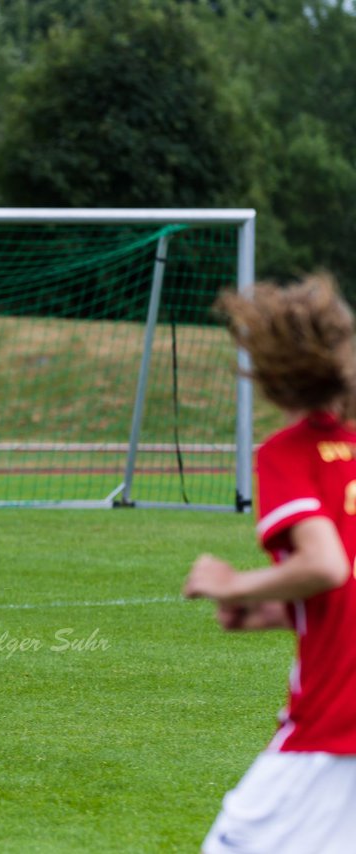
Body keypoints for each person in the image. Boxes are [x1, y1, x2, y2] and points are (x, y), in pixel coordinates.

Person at [183, 273, 356, 853]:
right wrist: (266, 610)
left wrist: (235, 583)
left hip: (334, 725)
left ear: (271, 377)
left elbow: (328, 565)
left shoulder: (289, 454)